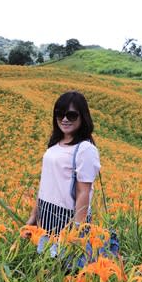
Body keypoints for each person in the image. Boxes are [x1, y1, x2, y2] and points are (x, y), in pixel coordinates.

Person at [25, 91, 101, 246]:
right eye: (60, 114)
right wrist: (34, 215)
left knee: (63, 266)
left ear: (82, 117)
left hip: (67, 218)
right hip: (45, 212)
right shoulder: (55, 144)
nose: (65, 119)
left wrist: (77, 232)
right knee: (44, 264)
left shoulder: (85, 149)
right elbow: (45, 184)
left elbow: (83, 192)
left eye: (71, 115)